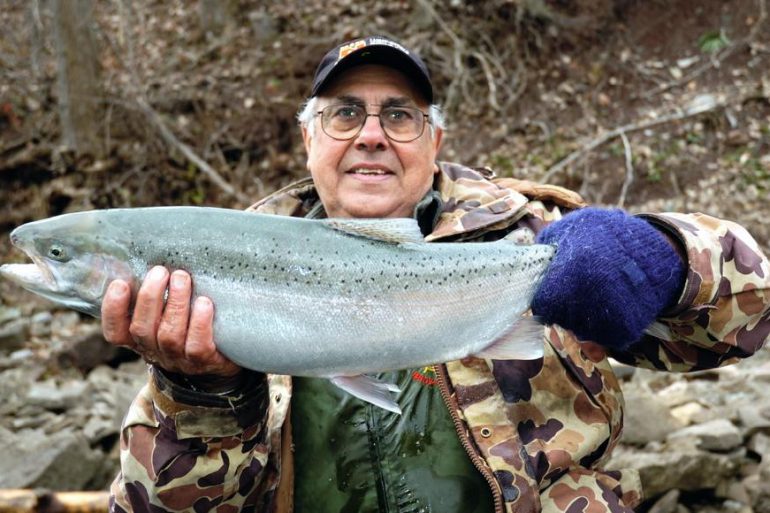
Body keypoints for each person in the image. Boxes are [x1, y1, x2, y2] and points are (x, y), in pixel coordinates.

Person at [103, 36, 770, 513]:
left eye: (399, 115)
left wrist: (663, 258)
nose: (371, 134)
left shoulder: (538, 236)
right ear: (307, 140)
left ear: (434, 142)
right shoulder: (220, 274)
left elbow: (751, 310)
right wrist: (201, 394)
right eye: (344, 113)